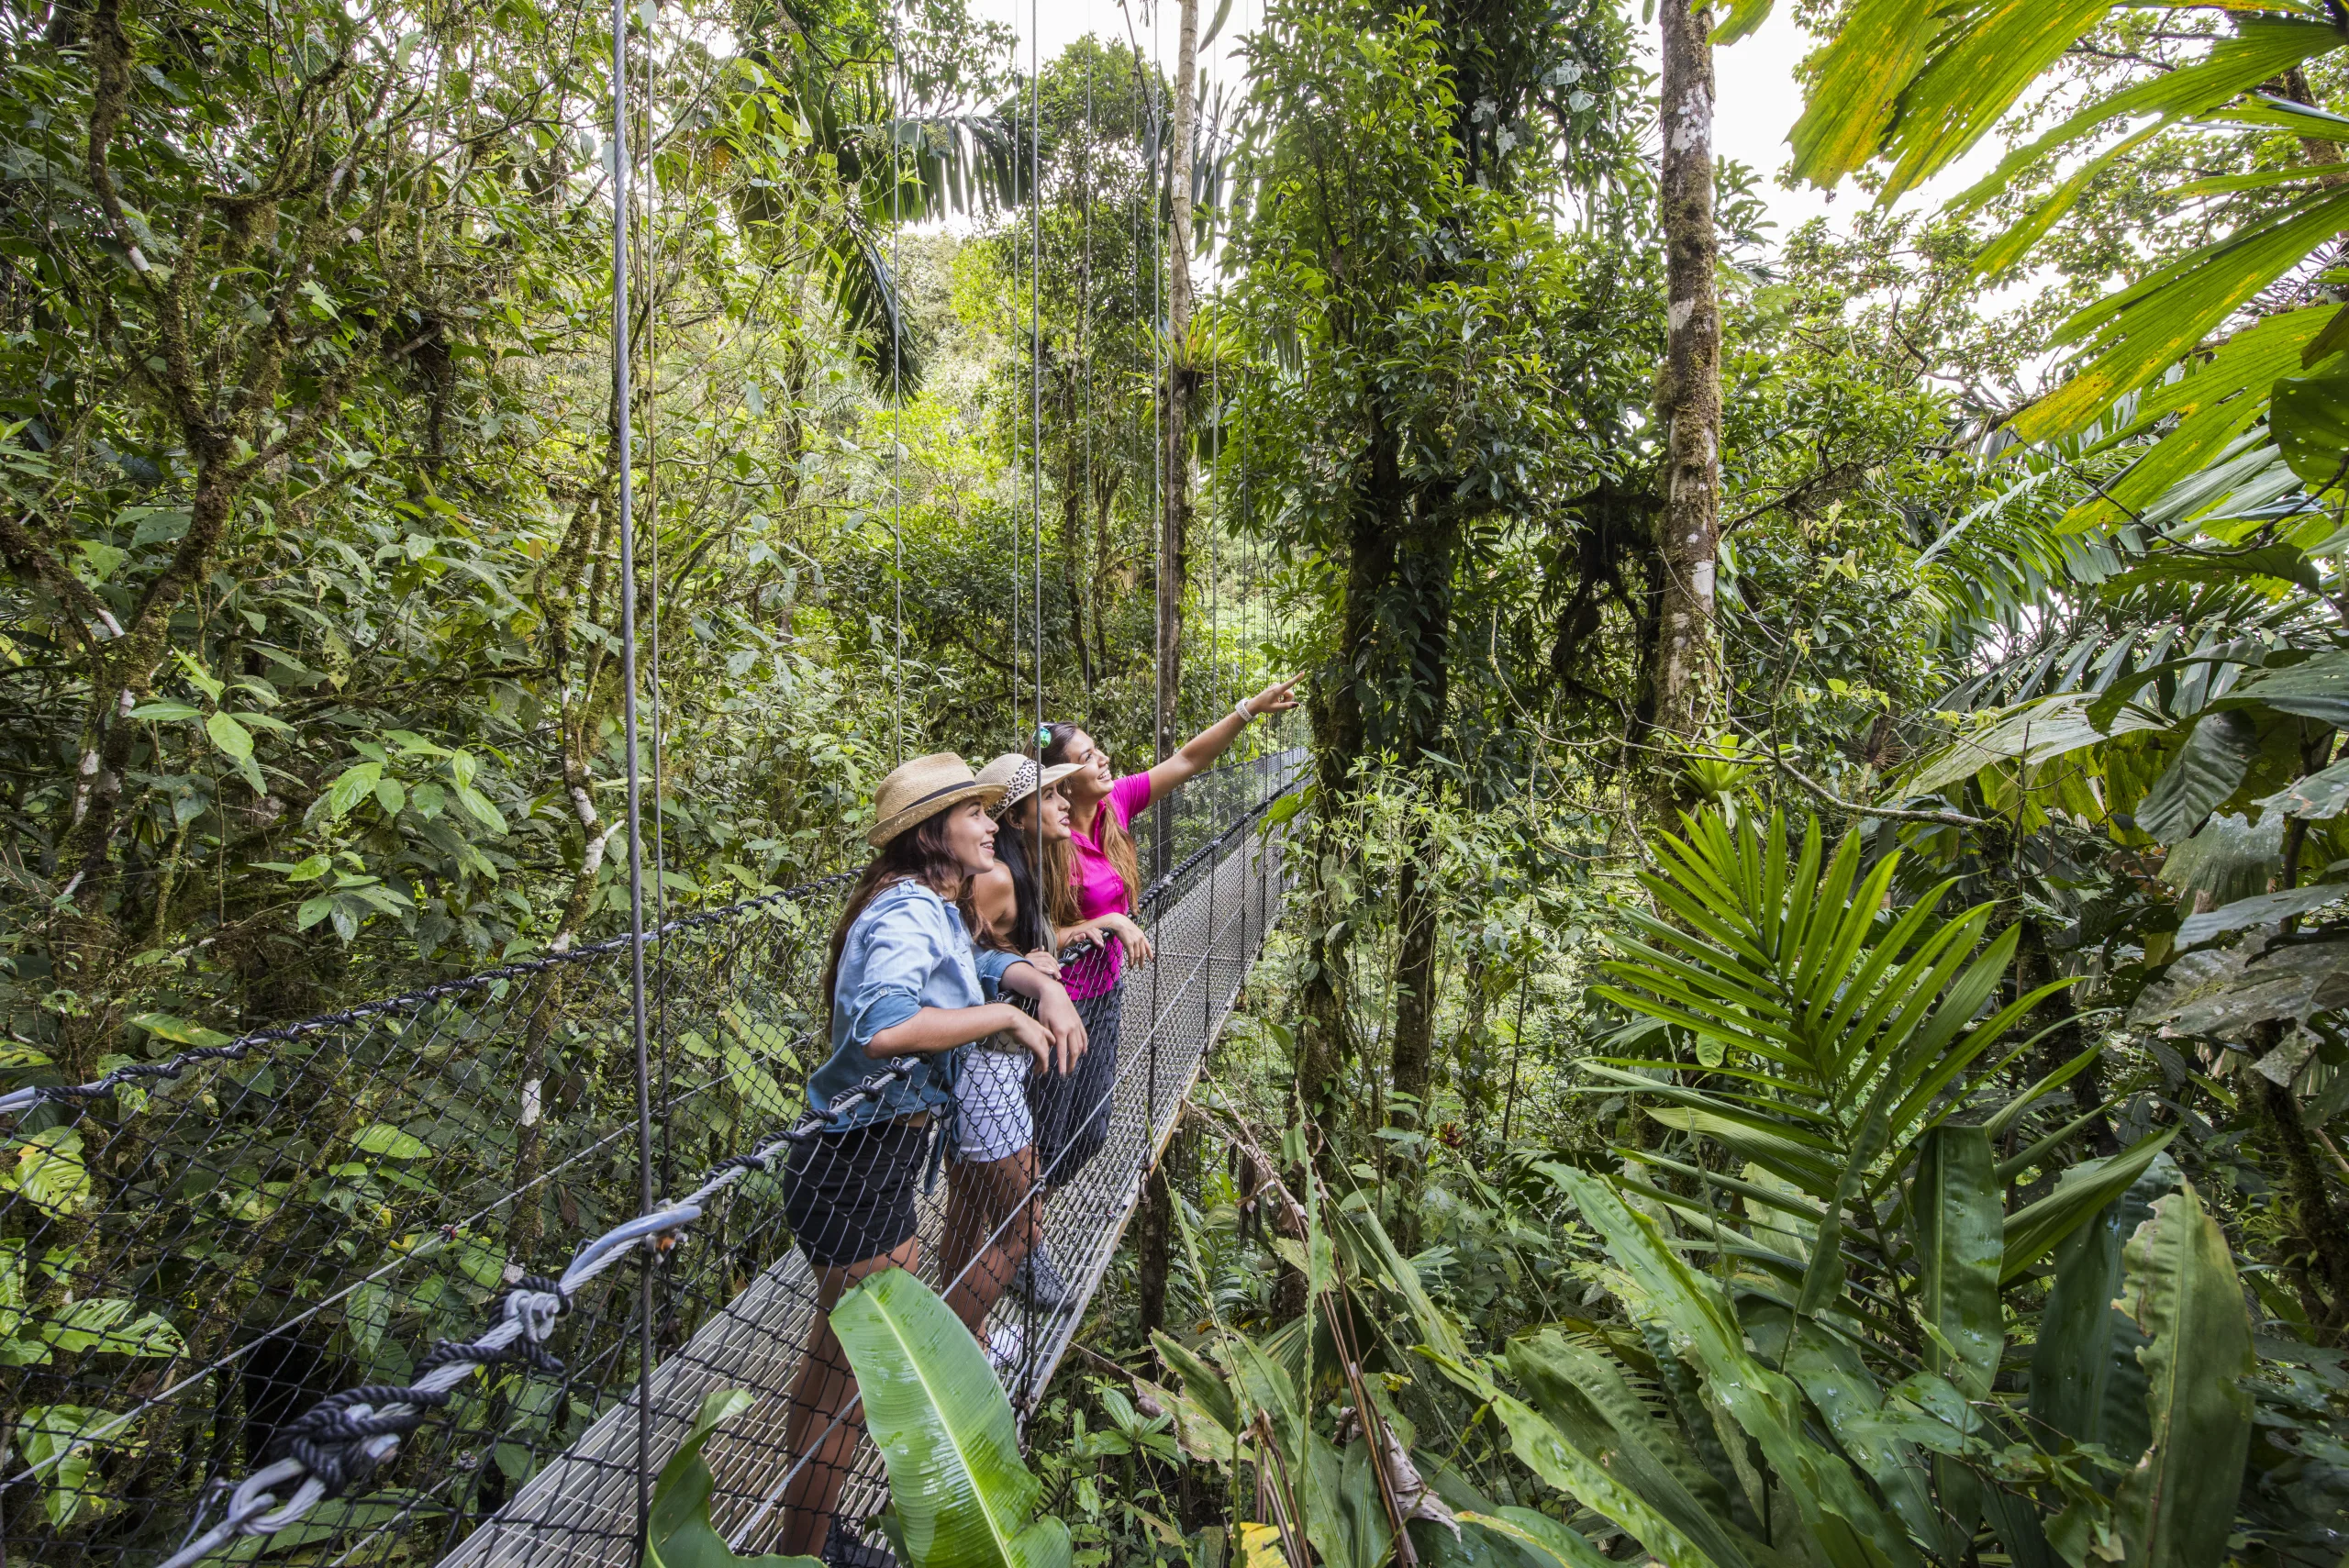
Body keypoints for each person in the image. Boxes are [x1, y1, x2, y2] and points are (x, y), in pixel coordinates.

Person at [775, 753, 1087, 1564]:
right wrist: (1000, 1020)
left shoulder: (926, 905)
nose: (993, 822)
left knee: (830, 1373)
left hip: (859, 1161)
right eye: (975, 813)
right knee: (843, 1389)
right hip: (860, 1170)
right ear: (932, 832)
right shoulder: (907, 912)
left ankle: (807, 1540)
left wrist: (1035, 986)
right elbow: (881, 1028)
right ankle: (813, 1549)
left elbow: (974, 962)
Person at [1015, 675, 1300, 1311]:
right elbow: (1029, 941)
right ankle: (1019, 1242)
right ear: (1061, 778)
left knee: (1088, 1135)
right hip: (1057, 1002)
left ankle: (1016, 1216)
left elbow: (1187, 760)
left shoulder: (1115, 807)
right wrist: (1105, 923)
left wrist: (1249, 709)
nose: (1104, 760)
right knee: (1050, 1131)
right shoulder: (1043, 841)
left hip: (1108, 993)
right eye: (1089, 757)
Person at [941, 752, 1084, 1387]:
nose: (1064, 803)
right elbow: (959, 957)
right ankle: (948, 1355)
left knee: (969, 1214)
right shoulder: (997, 875)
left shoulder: (1024, 873)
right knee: (1023, 1228)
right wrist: (1020, 968)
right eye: (1051, 796)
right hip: (984, 1068)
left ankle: (964, 1335)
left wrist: (1030, 954)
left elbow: (986, 948)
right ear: (1019, 814)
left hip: (991, 1066)